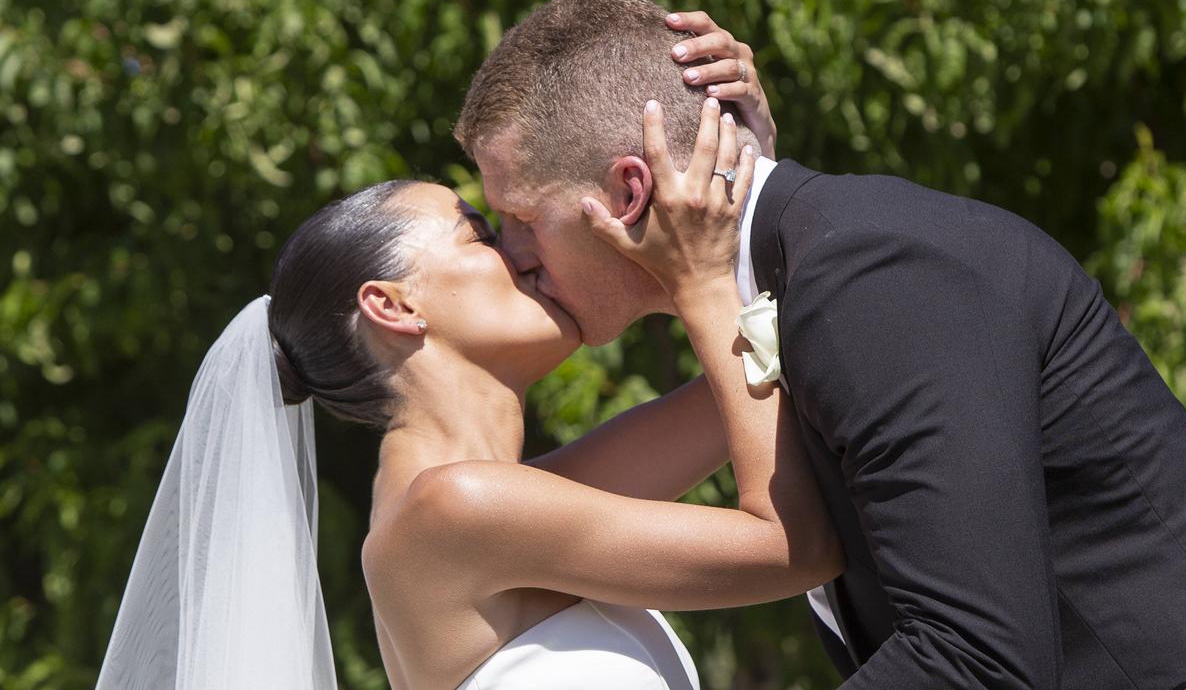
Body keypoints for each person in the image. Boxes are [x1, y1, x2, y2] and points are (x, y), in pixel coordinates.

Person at [455, 0, 1186, 689]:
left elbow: (978, 658)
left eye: (520, 218)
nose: (511, 256)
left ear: (629, 192)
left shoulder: (875, 273)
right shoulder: (814, 271)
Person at [96, 44, 842, 687]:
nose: (524, 252)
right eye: (482, 233)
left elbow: (759, 374)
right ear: (393, 306)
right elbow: (795, 547)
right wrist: (703, 281)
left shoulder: (516, 499)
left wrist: (743, 171)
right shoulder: (452, 511)